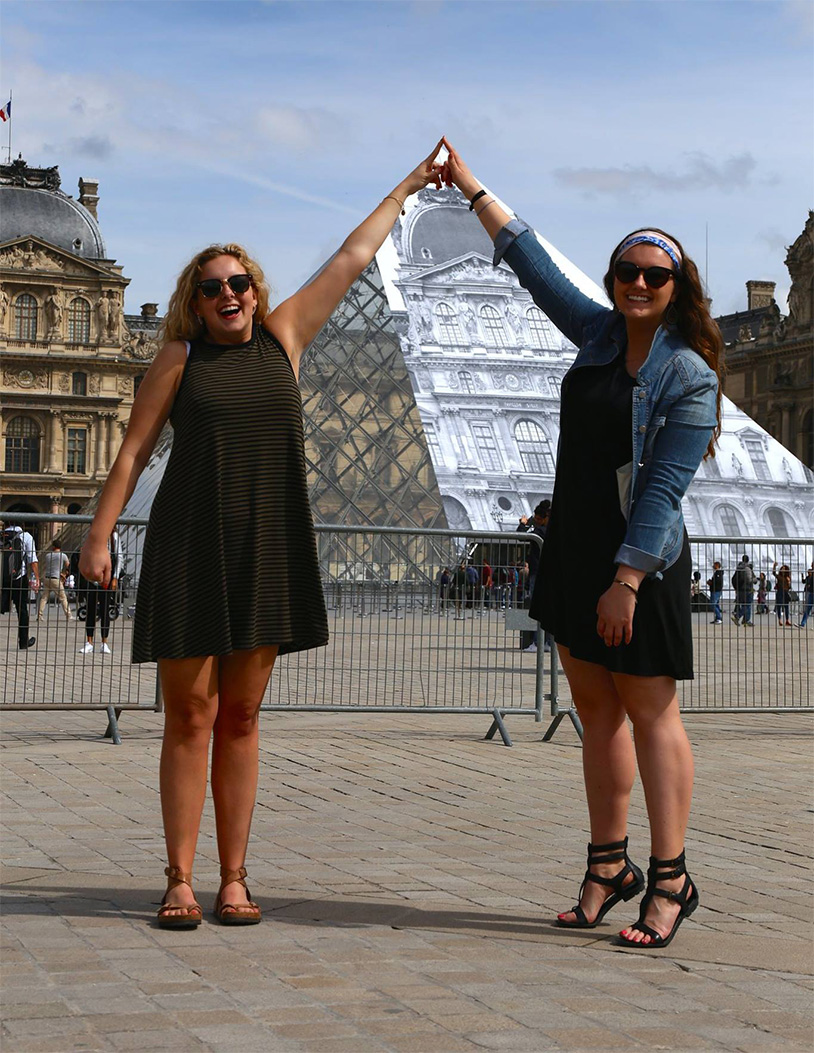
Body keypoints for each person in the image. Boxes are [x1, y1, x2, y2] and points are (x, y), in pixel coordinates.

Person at [78, 141, 446, 929]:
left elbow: (354, 255)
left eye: (239, 282)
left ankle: (234, 877)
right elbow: (134, 449)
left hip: (267, 547)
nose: (230, 294)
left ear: (256, 289)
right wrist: (99, 536)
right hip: (187, 544)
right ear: (195, 299)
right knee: (189, 717)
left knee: (241, 718)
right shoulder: (178, 358)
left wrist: (411, 183)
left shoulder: (286, 338)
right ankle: (179, 877)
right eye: (213, 287)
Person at [440, 139, 721, 948]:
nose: (637, 283)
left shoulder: (690, 374)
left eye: (654, 275)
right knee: (596, 715)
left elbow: (665, 492)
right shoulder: (598, 334)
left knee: (651, 713)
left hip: (642, 563)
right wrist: (467, 184)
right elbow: (531, 264)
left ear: (677, 288)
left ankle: (670, 878)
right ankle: (609, 865)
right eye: (625, 272)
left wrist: (626, 582)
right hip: (576, 551)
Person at [79, 529, 122, 654]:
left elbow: (119, 558)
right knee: (90, 609)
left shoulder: (114, 537)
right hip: (93, 578)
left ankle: (104, 642)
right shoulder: (92, 535)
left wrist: (115, 577)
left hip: (107, 578)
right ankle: (89, 642)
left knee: (104, 610)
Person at [518, 500, 551, 652]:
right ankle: (548, 643)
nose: (536, 522)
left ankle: (538, 642)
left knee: (536, 608)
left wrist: (523, 524)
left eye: (537, 519)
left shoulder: (540, 532)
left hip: (537, 573)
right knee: (548, 609)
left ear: (544, 518)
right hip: (548, 573)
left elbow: (521, 536)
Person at [3, 524, 39, 649]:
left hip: (1, 579)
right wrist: (37, 578)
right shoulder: (26, 536)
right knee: (22, 610)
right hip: (18, 578)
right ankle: (23, 642)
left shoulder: (2, 535)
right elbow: (32, 559)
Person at [37, 539, 72, 622]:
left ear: (53, 546)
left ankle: (39, 615)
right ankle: (68, 615)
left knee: (44, 597)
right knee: (63, 597)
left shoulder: (48, 555)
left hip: (47, 577)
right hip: (55, 578)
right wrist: (64, 574)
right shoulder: (63, 555)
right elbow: (68, 566)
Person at [731, 556, 755, 627]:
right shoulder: (747, 568)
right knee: (747, 605)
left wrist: (736, 588)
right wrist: (755, 580)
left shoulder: (738, 568)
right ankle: (737, 616)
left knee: (745, 605)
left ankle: (746, 620)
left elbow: (733, 579)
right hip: (747, 589)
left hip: (740, 590)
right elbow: (749, 580)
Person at [772, 561, 792, 627]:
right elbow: (774, 573)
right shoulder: (779, 576)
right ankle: (780, 620)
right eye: (782, 568)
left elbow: (789, 587)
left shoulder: (788, 577)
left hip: (786, 592)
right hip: (780, 591)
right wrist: (774, 566)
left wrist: (789, 582)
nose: (783, 569)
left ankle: (787, 620)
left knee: (786, 606)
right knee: (779, 606)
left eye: (784, 568)